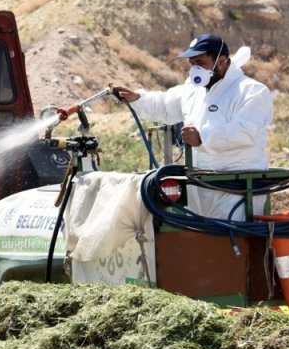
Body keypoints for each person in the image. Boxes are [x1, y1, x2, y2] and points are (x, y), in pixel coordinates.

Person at [113, 33, 273, 219]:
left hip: (236, 190)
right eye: (192, 64)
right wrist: (137, 99)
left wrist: (203, 137)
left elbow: (245, 131)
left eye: (201, 62)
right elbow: (165, 105)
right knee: (199, 243)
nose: (195, 69)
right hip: (199, 187)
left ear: (221, 61)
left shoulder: (250, 91)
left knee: (232, 244)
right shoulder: (193, 90)